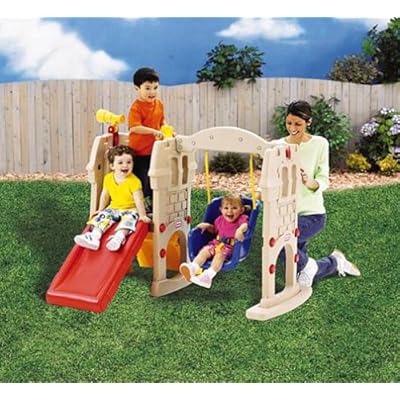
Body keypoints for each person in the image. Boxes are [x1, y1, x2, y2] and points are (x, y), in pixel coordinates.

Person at [266, 100, 361, 287]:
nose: (292, 128)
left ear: (308, 122)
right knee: (297, 267)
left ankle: (314, 266)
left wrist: (309, 182)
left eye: (298, 124)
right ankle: (332, 263)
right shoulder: (276, 146)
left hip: (312, 215)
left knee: (282, 243)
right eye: (289, 123)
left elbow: (324, 179)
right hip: (286, 214)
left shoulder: (319, 144)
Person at [74, 145, 151, 252]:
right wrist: (101, 209)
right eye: (120, 163)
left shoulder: (134, 181)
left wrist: (142, 215)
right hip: (114, 208)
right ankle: (94, 236)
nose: (125, 165)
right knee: (103, 217)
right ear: (112, 166)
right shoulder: (108, 178)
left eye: (129, 162)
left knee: (129, 221)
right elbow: (105, 194)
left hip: (130, 209)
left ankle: (118, 238)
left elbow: (139, 199)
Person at [179, 195, 249, 289]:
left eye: (234, 208)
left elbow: (245, 225)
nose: (229, 211)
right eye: (226, 208)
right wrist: (207, 226)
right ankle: (193, 267)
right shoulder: (219, 220)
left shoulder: (241, 219)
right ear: (221, 210)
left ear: (241, 210)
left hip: (229, 247)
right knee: (204, 251)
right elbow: (214, 230)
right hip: (216, 243)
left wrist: (240, 230)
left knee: (219, 256)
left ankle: (208, 276)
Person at [128, 67, 171, 213]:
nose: (152, 92)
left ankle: (154, 207)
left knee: (156, 179)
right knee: (143, 181)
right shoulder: (136, 108)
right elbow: (134, 128)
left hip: (155, 151)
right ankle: (136, 207)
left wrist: (167, 129)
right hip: (139, 153)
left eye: (155, 88)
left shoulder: (159, 104)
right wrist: (153, 131)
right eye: (147, 88)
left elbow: (161, 121)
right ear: (137, 88)